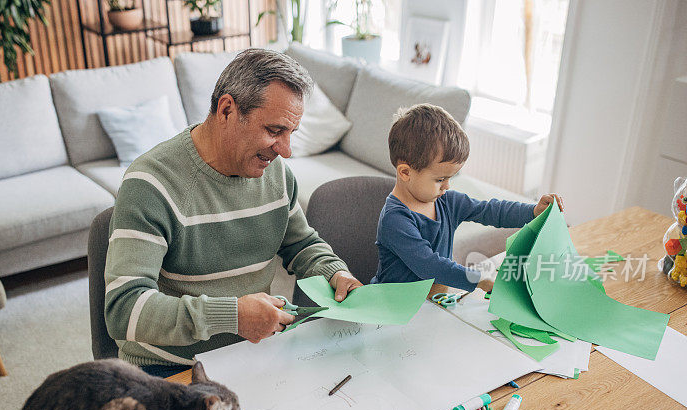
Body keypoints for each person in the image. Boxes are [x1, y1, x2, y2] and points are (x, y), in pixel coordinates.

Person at [104, 48, 362, 376]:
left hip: (253, 355)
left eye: (290, 133)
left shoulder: (278, 174)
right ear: (227, 110)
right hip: (170, 368)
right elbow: (124, 310)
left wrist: (336, 274)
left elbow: (303, 245)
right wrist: (234, 316)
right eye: (273, 130)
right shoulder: (151, 183)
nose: (286, 150)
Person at [371, 103, 563, 293]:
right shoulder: (394, 220)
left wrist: (532, 211)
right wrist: (479, 280)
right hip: (391, 309)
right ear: (405, 172)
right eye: (440, 179)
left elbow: (491, 211)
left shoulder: (447, 202)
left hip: (432, 303)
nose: (447, 186)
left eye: (450, 178)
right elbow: (429, 266)